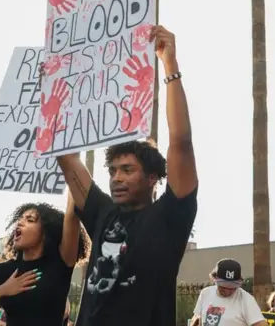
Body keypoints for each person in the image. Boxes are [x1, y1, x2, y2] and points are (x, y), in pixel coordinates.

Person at [55, 25, 198, 326]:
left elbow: (181, 144)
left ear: (152, 178)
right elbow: (67, 160)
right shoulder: (102, 213)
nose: (116, 178)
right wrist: (54, 85)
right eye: (113, 170)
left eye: (128, 170)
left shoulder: (171, 216)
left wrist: (170, 65)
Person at [0, 202, 89, 326]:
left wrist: (70, 176)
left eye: (30, 220)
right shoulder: (2, 271)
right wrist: (1, 291)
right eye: (20, 219)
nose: (20, 223)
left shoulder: (60, 263)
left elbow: (72, 213)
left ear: (46, 232)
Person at [190, 259, 266, 326]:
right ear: (214, 279)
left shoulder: (246, 300)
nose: (227, 291)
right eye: (223, 287)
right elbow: (196, 318)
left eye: (232, 288)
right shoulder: (205, 293)